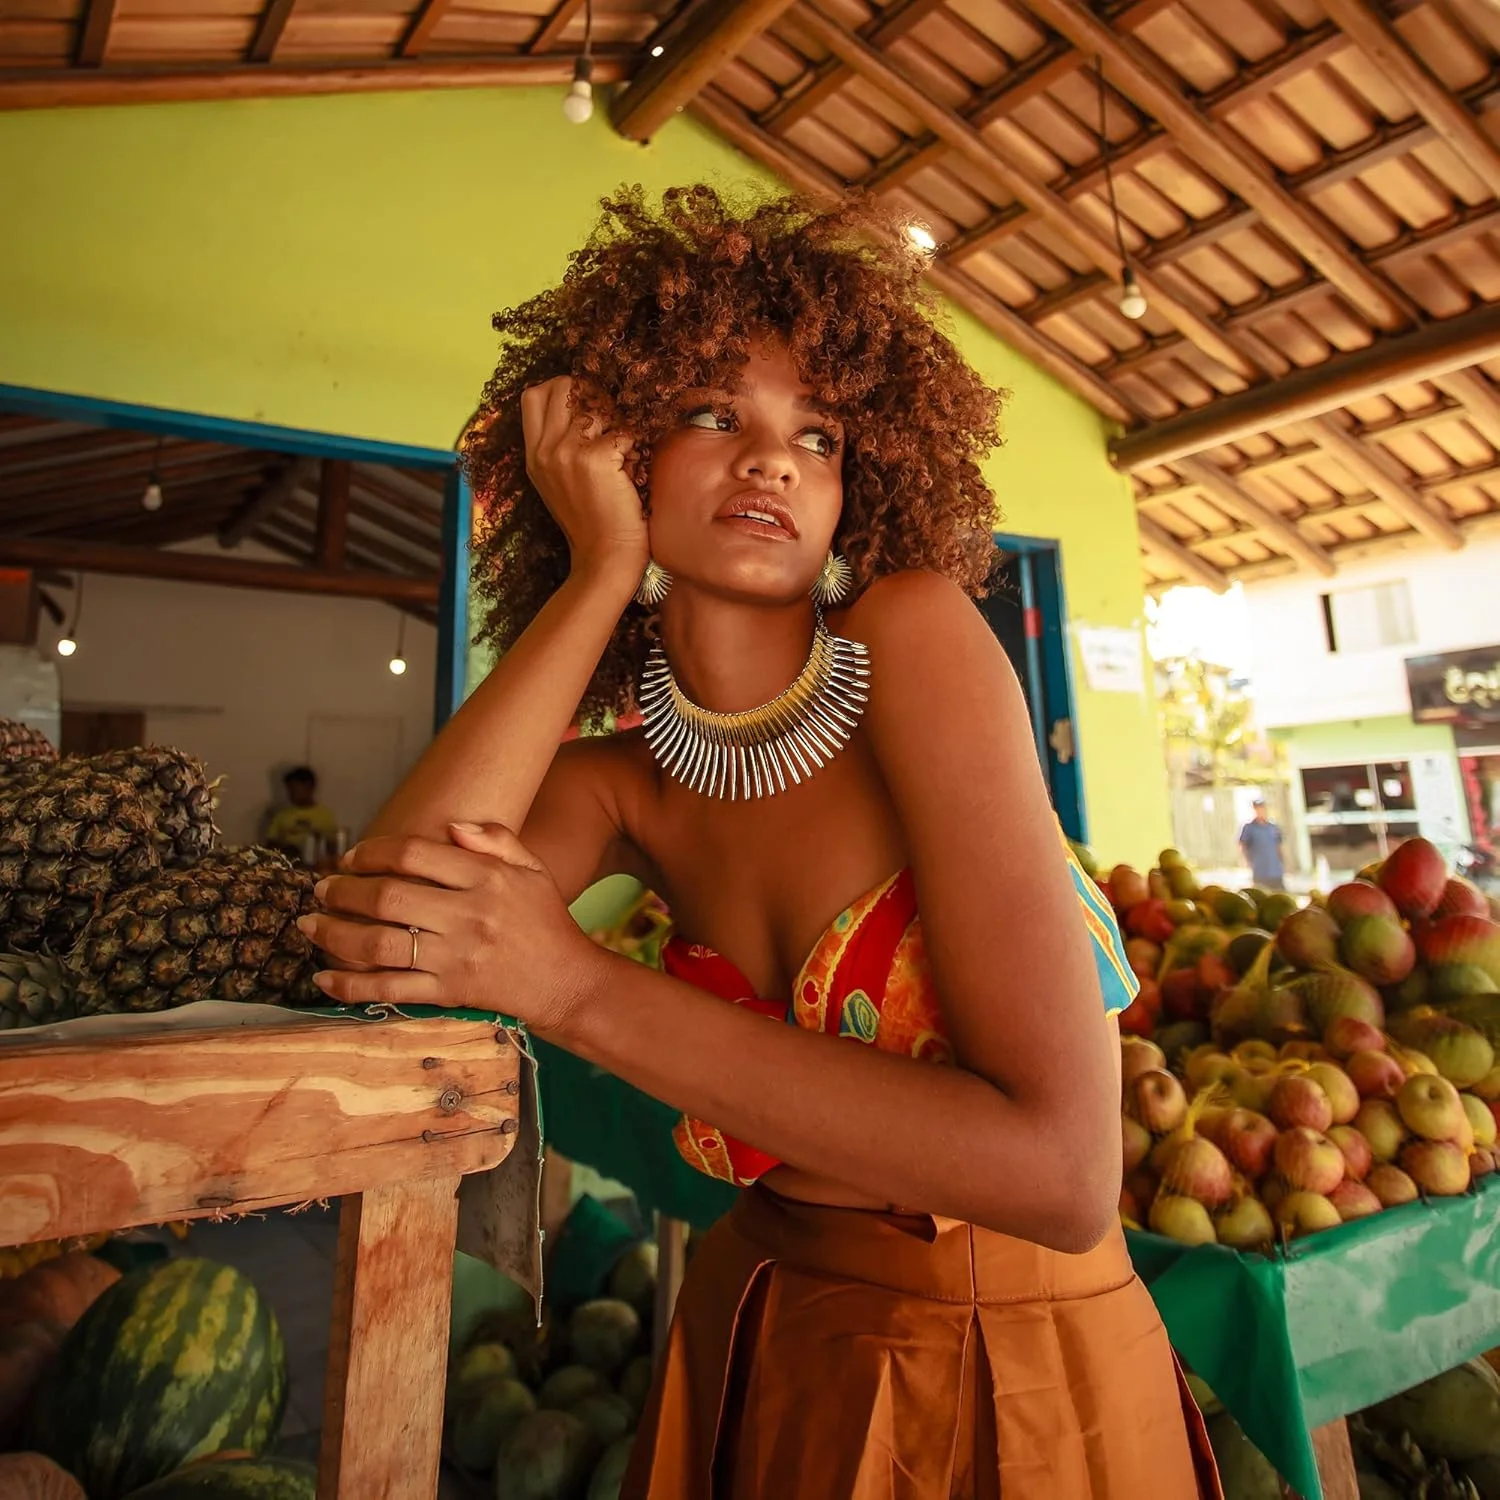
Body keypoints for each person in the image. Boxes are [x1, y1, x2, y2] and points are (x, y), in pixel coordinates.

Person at [299, 187, 1219, 1499]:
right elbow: (384, 933)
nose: (773, 459)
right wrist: (597, 571)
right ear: (618, 449)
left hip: (1011, 1368)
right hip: (766, 1331)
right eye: (714, 414)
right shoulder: (626, 787)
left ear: (865, 482)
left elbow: (1065, 1176)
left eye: (820, 434)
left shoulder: (914, 639)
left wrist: (566, 983)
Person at [265, 766, 339, 858]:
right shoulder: (282, 815)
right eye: (289, 790)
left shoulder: (325, 815)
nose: (290, 794)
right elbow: (270, 844)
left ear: (309, 787)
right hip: (288, 861)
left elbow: (333, 846)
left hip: (316, 862)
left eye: (294, 789)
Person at [1239, 798, 1285, 891]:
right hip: (1260, 870)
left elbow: (1279, 845)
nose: (1261, 811)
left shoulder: (1273, 827)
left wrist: (1284, 862)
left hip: (1275, 870)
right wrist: (1247, 861)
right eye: (1258, 809)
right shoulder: (1249, 828)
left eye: (1262, 808)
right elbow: (1243, 845)